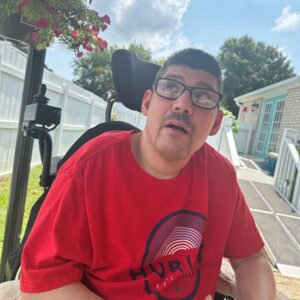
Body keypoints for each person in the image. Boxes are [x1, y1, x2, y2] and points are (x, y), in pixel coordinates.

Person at [20, 48, 276, 300]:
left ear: (216, 124)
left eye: (203, 96)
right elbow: (41, 285)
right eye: (170, 87)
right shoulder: (89, 169)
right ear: (147, 102)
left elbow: (250, 259)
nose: (183, 104)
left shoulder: (221, 176)